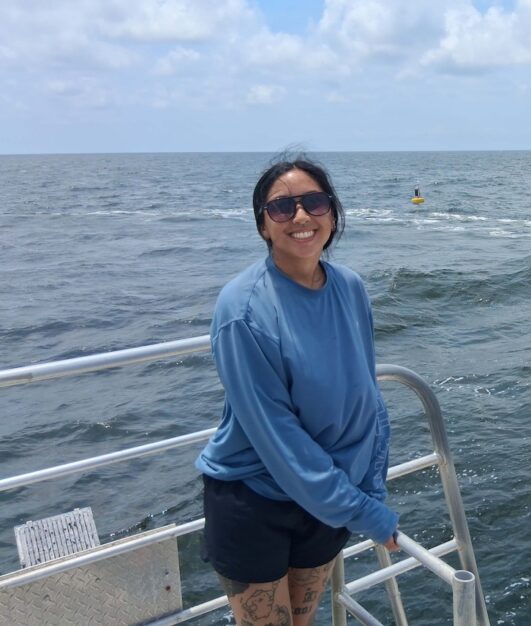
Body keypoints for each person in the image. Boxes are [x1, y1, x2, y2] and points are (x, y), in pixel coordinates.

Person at [195, 156, 399, 626]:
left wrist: (371, 488)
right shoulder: (242, 310)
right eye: (282, 207)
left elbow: (367, 397)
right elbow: (278, 437)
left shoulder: (350, 287)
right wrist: (363, 511)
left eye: (314, 202)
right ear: (263, 225)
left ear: (333, 213)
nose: (301, 216)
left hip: (327, 496)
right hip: (256, 500)